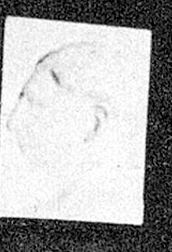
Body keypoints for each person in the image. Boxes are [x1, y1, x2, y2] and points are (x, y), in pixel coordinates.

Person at [0, 40, 145, 224]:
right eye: (22, 99)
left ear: (93, 125)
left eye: (35, 105)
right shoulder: (50, 209)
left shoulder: (112, 211)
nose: (12, 122)